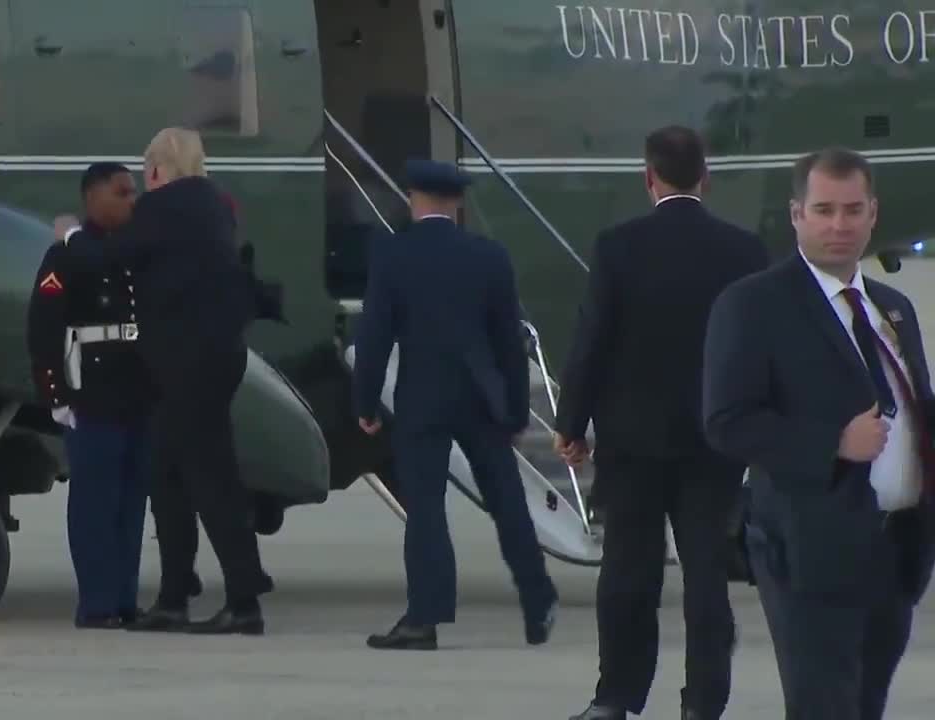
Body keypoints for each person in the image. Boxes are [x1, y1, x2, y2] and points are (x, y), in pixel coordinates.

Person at [702, 147, 935, 720]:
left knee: (865, 703)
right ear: (796, 214)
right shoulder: (754, 304)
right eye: (824, 209)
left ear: (873, 213)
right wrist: (830, 441)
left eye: (853, 210)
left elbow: (914, 412)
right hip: (809, 551)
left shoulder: (892, 307)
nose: (839, 224)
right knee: (823, 707)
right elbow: (727, 422)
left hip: (895, 550)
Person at [554, 127, 768, 720]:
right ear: (706, 177)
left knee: (627, 576)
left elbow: (591, 340)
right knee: (706, 581)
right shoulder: (744, 251)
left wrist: (571, 422)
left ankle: (615, 697)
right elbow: (757, 347)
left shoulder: (618, 246)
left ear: (649, 178)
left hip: (632, 443)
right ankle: (702, 703)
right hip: (713, 442)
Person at [54, 127, 272, 635]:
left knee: (209, 478)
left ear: (155, 169)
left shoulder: (165, 207)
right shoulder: (214, 204)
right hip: (211, 359)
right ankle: (174, 596)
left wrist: (68, 234)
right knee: (168, 477)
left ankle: (243, 601)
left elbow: (107, 256)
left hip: (190, 365)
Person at [351, 158, 558, 651]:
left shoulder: (392, 255)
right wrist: (512, 409)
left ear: (413, 198)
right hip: (481, 397)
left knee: (425, 508)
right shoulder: (489, 255)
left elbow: (375, 333)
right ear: (459, 202)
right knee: (508, 503)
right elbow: (509, 341)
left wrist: (365, 399)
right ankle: (537, 599)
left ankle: (426, 616)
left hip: (422, 398)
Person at [27, 161, 155, 629]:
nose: (132, 199)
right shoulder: (64, 257)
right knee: (95, 504)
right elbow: (43, 329)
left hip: (137, 390)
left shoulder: (135, 249)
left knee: (132, 501)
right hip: (91, 393)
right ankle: (97, 602)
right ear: (93, 198)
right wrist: (55, 392)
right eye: (122, 192)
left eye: (133, 191)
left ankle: (125, 597)